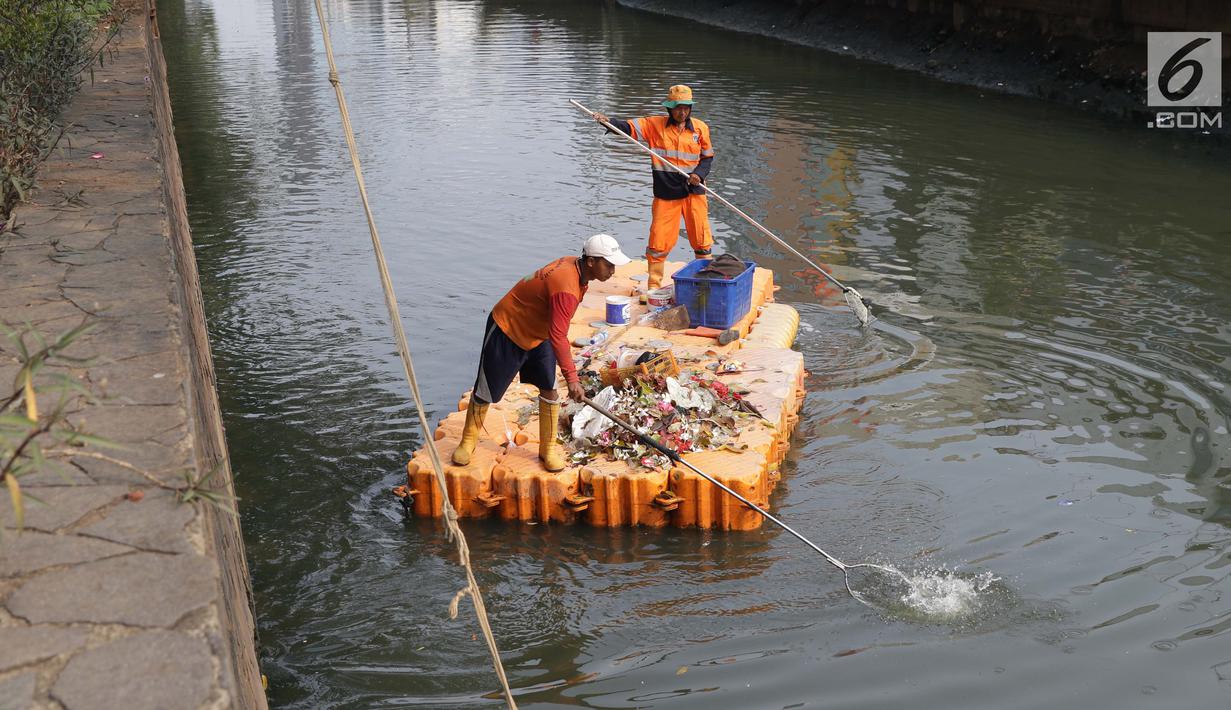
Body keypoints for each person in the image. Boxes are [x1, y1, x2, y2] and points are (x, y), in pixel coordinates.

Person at [453, 234, 631, 472]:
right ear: (590, 261)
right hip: (509, 328)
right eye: (608, 265)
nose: (612, 270)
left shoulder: (576, 269)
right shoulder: (566, 285)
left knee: (549, 388)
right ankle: (468, 441)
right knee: (487, 390)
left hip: (540, 333)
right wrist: (573, 379)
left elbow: (555, 331)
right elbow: (559, 336)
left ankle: (547, 450)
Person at [592, 85, 715, 290]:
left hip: (694, 191)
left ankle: (707, 284)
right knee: (658, 243)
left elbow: (708, 158)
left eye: (685, 108)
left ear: (690, 108)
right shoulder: (653, 125)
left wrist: (698, 175)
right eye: (677, 108)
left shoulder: (701, 128)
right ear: (669, 108)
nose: (682, 112)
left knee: (702, 240)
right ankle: (654, 287)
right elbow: (628, 128)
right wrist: (609, 123)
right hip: (667, 194)